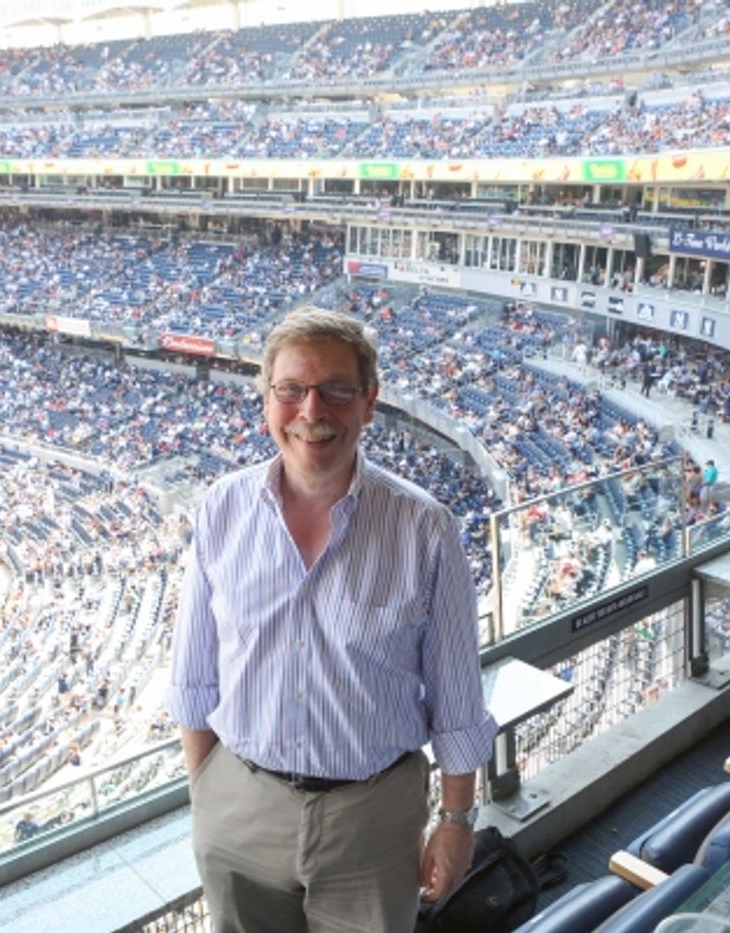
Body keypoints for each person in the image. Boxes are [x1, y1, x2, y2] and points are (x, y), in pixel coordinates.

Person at [167, 308, 497, 933]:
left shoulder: (426, 528)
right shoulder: (221, 509)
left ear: (369, 403)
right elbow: (194, 677)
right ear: (266, 400)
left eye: (336, 390)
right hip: (238, 803)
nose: (311, 411)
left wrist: (456, 822)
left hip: (373, 819)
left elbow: (457, 699)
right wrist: (208, 795)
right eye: (291, 389)